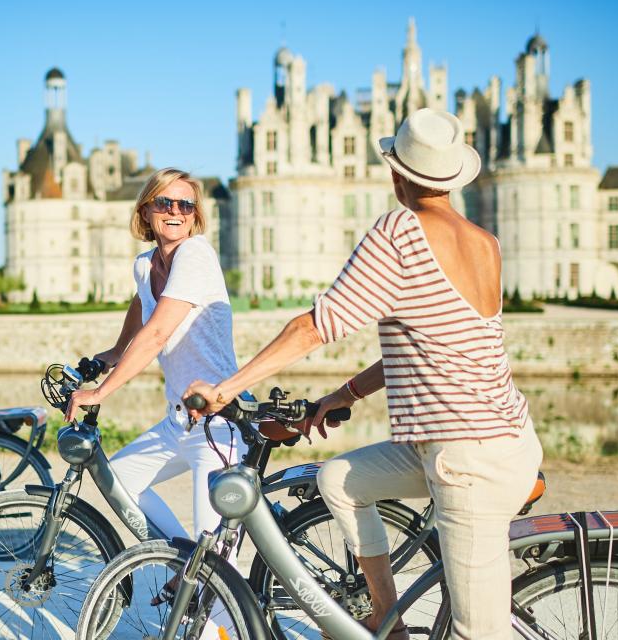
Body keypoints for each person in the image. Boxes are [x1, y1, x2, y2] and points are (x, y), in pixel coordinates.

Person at [184, 108, 543, 640]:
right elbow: (433, 344)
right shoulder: (483, 241)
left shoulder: (401, 230)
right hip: (494, 439)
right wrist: (344, 393)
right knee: (338, 480)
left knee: (478, 633)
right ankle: (385, 618)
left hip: (467, 457)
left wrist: (225, 389)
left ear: (397, 174)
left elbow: (315, 326)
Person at [66, 167, 245, 607]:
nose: (175, 212)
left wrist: (101, 391)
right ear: (146, 210)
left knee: (218, 576)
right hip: (178, 421)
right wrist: (114, 349)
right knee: (120, 478)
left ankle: (217, 613)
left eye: (186, 205)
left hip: (215, 425)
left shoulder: (195, 255)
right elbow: (142, 303)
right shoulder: (146, 264)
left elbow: (159, 331)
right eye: (165, 202)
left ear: (195, 215)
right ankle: (185, 562)